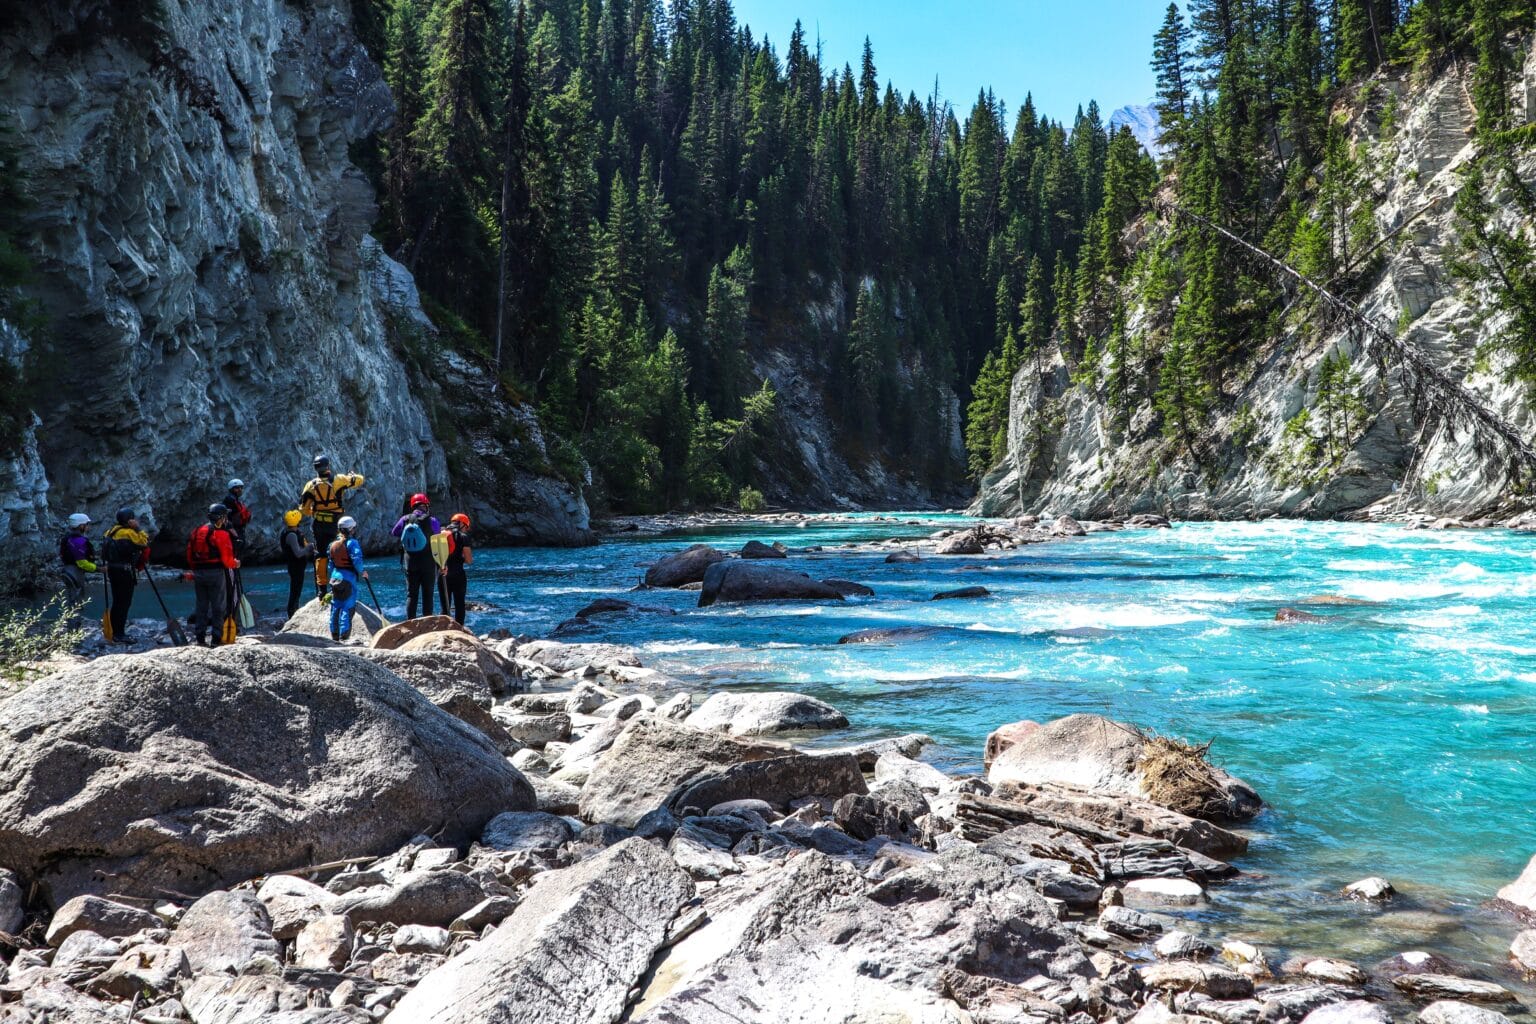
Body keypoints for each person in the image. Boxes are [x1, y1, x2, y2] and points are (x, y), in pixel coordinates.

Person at [300, 454, 365, 596]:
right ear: (328, 466)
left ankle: (322, 589)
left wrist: (316, 513)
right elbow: (359, 480)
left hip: (319, 525)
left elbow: (304, 509)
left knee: (321, 555)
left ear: (316, 468)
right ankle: (342, 583)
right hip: (336, 524)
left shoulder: (310, 486)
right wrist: (352, 475)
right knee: (341, 551)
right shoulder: (339, 480)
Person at [186, 503, 239, 647]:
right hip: (215, 573)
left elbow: (190, 555)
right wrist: (235, 564)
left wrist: (195, 571)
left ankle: (200, 638)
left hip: (198, 573)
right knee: (218, 606)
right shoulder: (221, 534)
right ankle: (216, 639)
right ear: (221, 518)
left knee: (201, 606)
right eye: (225, 516)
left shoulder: (196, 531)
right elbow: (227, 560)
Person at [103, 508, 150, 644]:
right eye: (133, 519)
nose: (135, 520)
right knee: (124, 603)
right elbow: (144, 542)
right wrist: (138, 528)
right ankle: (119, 634)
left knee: (117, 601)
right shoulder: (129, 532)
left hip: (112, 570)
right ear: (129, 520)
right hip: (124, 572)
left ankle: (114, 631)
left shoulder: (110, 532)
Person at [391, 493, 441, 619]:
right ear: (426, 505)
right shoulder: (432, 520)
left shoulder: (405, 519)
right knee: (428, 594)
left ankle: (410, 622)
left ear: (413, 505)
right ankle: (427, 622)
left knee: (411, 595)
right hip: (428, 562)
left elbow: (395, 532)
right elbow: (438, 536)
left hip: (410, 562)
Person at [327, 516, 368, 642]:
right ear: (350, 529)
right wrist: (362, 572)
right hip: (348, 578)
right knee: (347, 606)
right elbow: (357, 560)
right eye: (353, 528)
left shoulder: (332, 544)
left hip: (335, 577)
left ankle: (334, 634)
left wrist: (334, 575)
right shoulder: (352, 543)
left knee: (335, 606)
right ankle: (344, 636)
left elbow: (330, 564)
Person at [279, 510, 315, 618]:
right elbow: (298, 553)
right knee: (295, 591)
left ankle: (294, 611)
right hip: (295, 566)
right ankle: (292, 614)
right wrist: (308, 548)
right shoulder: (291, 535)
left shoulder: (294, 532)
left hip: (298, 566)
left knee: (297, 590)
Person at [58, 512, 99, 601]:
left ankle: (71, 614)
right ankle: (75, 614)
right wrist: (98, 569)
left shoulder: (67, 538)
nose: (88, 527)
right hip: (75, 573)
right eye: (87, 524)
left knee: (73, 598)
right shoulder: (79, 541)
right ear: (81, 526)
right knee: (77, 600)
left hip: (67, 571)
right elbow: (81, 563)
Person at [442, 513, 473, 625]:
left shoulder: (440, 534)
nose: (465, 530)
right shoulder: (463, 537)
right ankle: (459, 629)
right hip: (458, 574)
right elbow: (469, 560)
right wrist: (460, 558)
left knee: (445, 605)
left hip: (442, 574)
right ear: (461, 524)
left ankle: (444, 628)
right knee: (459, 604)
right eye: (465, 527)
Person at [221, 479, 252, 555]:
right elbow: (225, 516)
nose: (240, 490)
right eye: (237, 488)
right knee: (236, 550)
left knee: (238, 550)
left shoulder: (235, 500)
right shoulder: (229, 500)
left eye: (241, 487)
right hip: (234, 529)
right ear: (231, 489)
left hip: (238, 528)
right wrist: (231, 530)